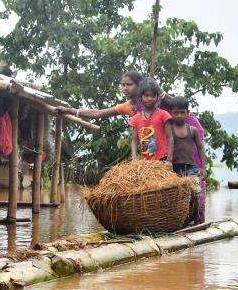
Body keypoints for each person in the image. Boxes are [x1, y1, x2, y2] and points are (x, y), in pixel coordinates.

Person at [54, 70, 171, 119]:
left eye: (129, 84)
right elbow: (98, 113)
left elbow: (176, 104)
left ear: (139, 84)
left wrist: (159, 90)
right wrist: (70, 110)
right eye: (123, 85)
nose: (125, 88)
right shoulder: (128, 106)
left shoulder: (155, 98)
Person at [169, 96, 206, 224]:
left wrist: (203, 168)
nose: (179, 115)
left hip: (191, 167)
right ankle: (178, 222)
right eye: (175, 112)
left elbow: (201, 148)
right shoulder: (168, 129)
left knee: (196, 195)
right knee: (176, 197)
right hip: (174, 169)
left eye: (182, 112)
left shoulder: (193, 130)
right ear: (171, 113)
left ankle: (197, 221)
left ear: (187, 113)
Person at [129, 78, 173, 164]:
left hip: (162, 159)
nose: (149, 98)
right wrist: (134, 158)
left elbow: (170, 137)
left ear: (157, 97)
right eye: (146, 95)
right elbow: (134, 140)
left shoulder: (164, 115)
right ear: (141, 97)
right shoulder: (135, 119)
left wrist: (169, 160)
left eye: (153, 96)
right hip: (145, 162)